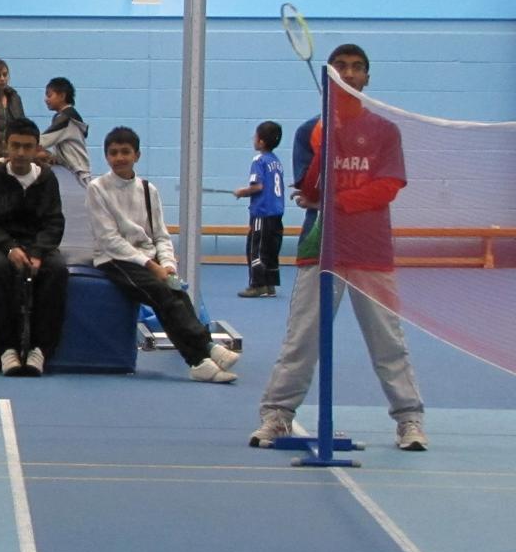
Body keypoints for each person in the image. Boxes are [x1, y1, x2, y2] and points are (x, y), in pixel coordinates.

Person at [252, 44, 428, 452]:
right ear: (329, 75)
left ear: (367, 77)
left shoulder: (385, 131)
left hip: (370, 251)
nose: (349, 74)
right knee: (302, 340)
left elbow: (387, 188)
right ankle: (277, 415)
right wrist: (325, 141)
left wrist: (339, 201)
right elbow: (309, 191)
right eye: (341, 67)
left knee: (388, 344)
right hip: (321, 248)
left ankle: (409, 421)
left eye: (357, 68)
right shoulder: (308, 131)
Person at [86, 126, 240, 384]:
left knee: (176, 292)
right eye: (113, 153)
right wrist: (151, 266)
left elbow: (160, 235)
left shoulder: (148, 190)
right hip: (114, 259)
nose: (119, 158)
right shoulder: (97, 188)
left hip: (149, 259)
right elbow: (109, 239)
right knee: (160, 293)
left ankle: (199, 363)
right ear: (106, 156)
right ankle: (207, 348)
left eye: (125, 152)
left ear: (137, 155)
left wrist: (167, 264)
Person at [0, 121, 68, 377]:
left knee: (57, 271)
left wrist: (38, 253)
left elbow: (54, 221)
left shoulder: (47, 179)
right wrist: (9, 249)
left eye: (27, 147)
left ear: (36, 149)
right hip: (2, 242)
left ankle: (40, 348)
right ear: (6, 146)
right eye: (15, 146)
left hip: (38, 243)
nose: (20, 153)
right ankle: (6, 348)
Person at [236, 120, 286, 298]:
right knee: (271, 249)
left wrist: (243, 192)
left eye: (255, 136)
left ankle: (257, 284)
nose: (253, 139)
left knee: (255, 248)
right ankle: (270, 284)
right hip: (276, 214)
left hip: (262, 213)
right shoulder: (276, 161)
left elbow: (258, 187)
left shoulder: (259, 160)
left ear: (261, 142)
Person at [41, 76, 92, 181]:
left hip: (78, 174)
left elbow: (41, 141)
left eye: (49, 95)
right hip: (71, 172)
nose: (46, 99)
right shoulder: (63, 117)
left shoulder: (66, 119)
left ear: (62, 96)